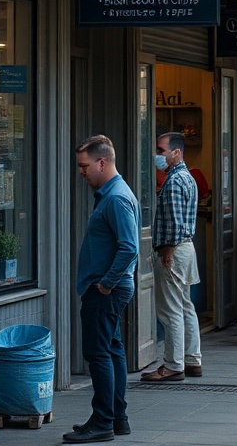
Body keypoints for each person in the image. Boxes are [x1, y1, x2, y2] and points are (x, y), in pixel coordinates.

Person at [66, 135, 140, 444]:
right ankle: (116, 417)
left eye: (84, 166)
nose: (81, 172)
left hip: (106, 290)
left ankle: (103, 421)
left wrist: (106, 284)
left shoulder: (116, 198)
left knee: (98, 354)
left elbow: (129, 248)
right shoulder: (111, 195)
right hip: (107, 287)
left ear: (102, 162)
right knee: (111, 350)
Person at [140, 132, 202, 382]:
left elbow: (175, 222)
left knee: (170, 310)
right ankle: (192, 359)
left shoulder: (175, 181)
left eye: (161, 150)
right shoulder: (186, 178)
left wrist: (167, 251)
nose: (158, 155)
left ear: (176, 152)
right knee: (185, 306)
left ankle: (174, 365)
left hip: (174, 250)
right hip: (185, 248)